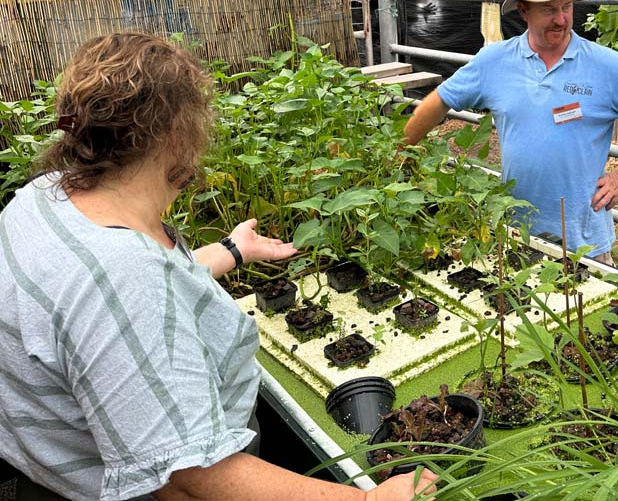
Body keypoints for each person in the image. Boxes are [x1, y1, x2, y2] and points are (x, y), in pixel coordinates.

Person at [0, 33, 437, 501]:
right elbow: (189, 475)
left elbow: (103, 313)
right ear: (176, 133)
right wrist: (369, 500)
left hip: (45, 471)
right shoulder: (123, 277)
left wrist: (231, 250)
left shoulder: (45, 196)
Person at [404, 0, 618, 264]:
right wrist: (399, 151)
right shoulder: (495, 62)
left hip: (584, 243)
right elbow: (438, 102)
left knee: (586, 311)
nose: (561, 19)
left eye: (567, 6)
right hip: (514, 233)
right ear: (524, 10)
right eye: (549, 9)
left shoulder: (605, 66)